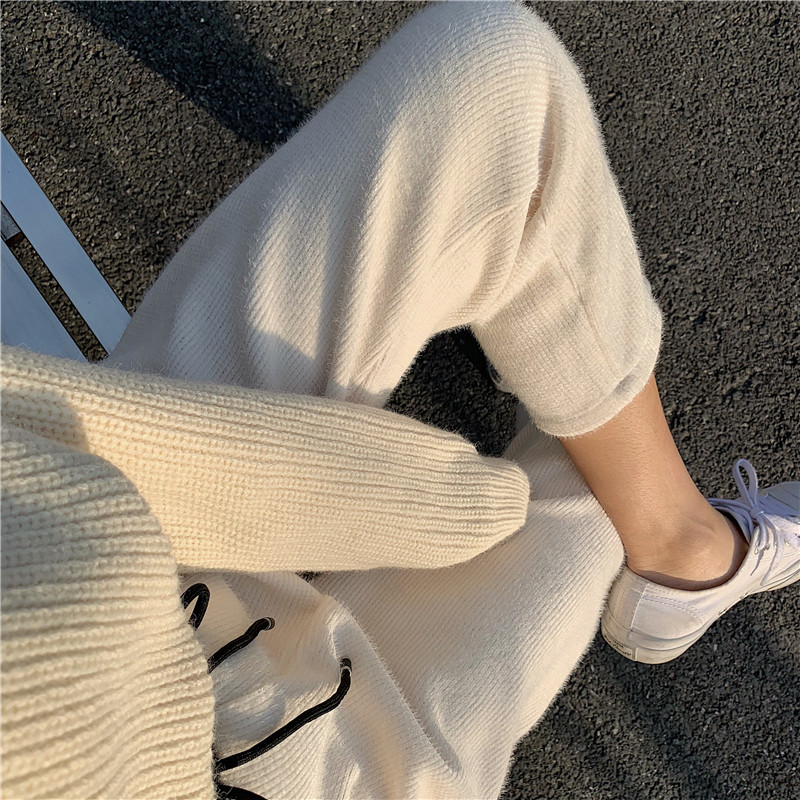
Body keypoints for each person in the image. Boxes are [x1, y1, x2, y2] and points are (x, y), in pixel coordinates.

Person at [1, 2, 797, 798]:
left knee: (496, 94)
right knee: (605, 471)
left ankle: (581, 405)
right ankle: (679, 546)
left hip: (94, 512)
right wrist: (401, 492)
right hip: (326, 771)